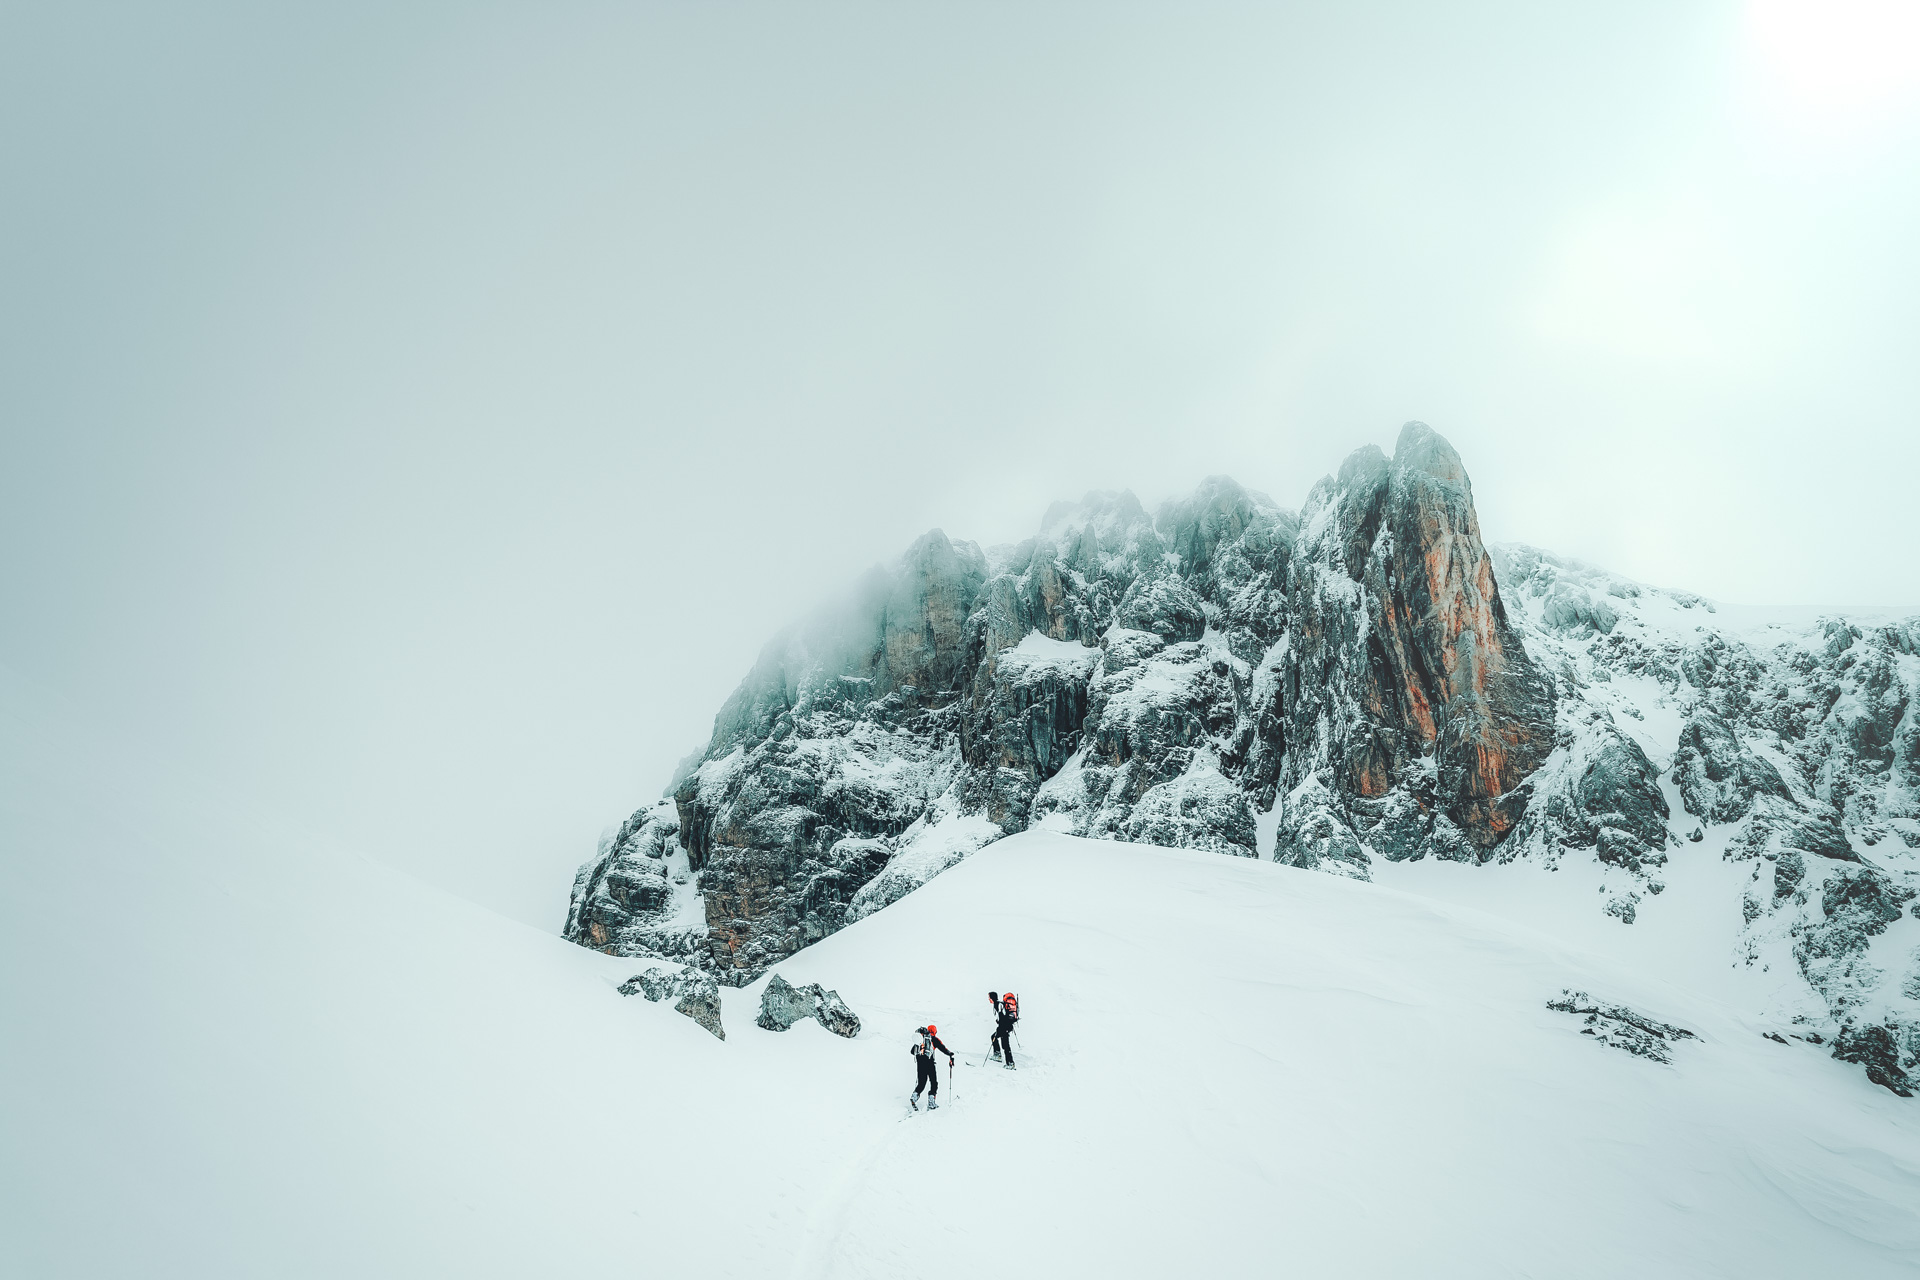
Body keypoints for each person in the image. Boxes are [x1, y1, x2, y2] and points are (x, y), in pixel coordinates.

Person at [910, 1024, 953, 1110]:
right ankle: (931, 1102)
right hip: (930, 1062)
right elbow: (942, 1047)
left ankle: (914, 1097)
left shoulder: (921, 1039)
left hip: (920, 1063)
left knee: (921, 1082)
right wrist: (950, 1054)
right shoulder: (933, 1039)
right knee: (933, 1082)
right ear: (934, 1031)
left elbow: (912, 1051)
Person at [988, 992, 1017, 1069]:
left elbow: (1002, 1017)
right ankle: (1000, 1056)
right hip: (1006, 1027)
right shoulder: (1000, 1004)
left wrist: (1000, 1027)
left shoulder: (998, 1004)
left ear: (992, 998)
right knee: (996, 1038)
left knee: (1005, 1045)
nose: (989, 999)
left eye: (989, 997)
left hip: (1004, 1027)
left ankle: (1009, 1063)